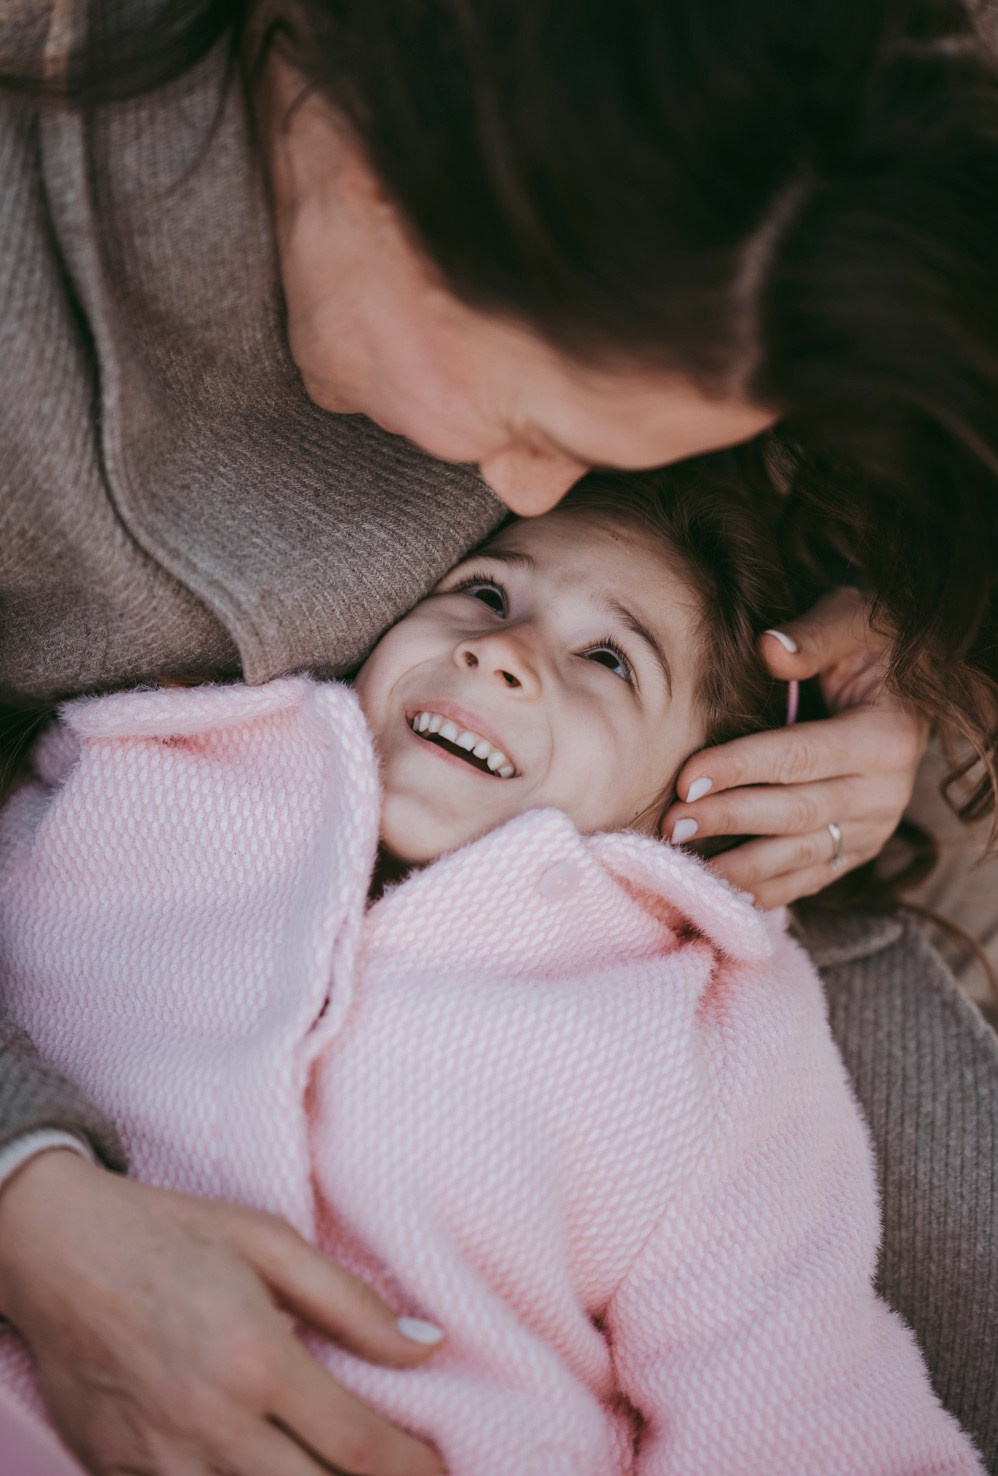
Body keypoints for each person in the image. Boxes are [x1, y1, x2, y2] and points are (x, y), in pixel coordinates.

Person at [1, 0, 997, 1473]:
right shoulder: (125, 792)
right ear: (365, 150)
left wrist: (888, 670)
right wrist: (28, 1191)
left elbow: (793, 1386)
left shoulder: (698, 1045)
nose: (528, 493)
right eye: (532, 417)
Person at [0, 473, 983, 1474]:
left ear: (709, 789)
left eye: (608, 658)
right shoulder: (151, 766)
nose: (499, 651)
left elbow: (786, 1390)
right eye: (483, 594)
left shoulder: (707, 1029)